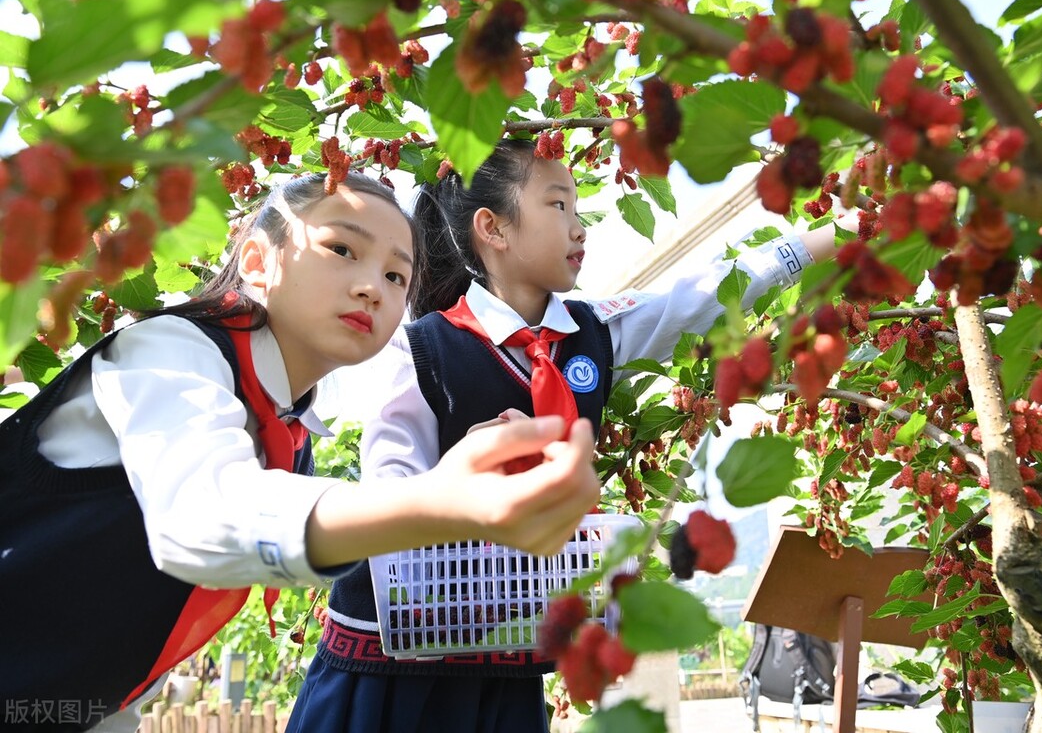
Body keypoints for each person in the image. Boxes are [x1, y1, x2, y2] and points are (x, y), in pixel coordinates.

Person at [0, 171, 600, 733]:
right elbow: (199, 519)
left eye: (397, 276)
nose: (372, 286)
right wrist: (435, 502)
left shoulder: (288, 439)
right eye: (342, 249)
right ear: (258, 262)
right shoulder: (168, 353)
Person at [289, 139, 856, 733]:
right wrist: (464, 468)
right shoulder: (422, 350)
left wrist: (837, 235)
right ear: (494, 229)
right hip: (395, 666)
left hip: (505, 657)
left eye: (578, 209)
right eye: (558, 205)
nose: (579, 226)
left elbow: (708, 295)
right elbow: (388, 501)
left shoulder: (592, 333)